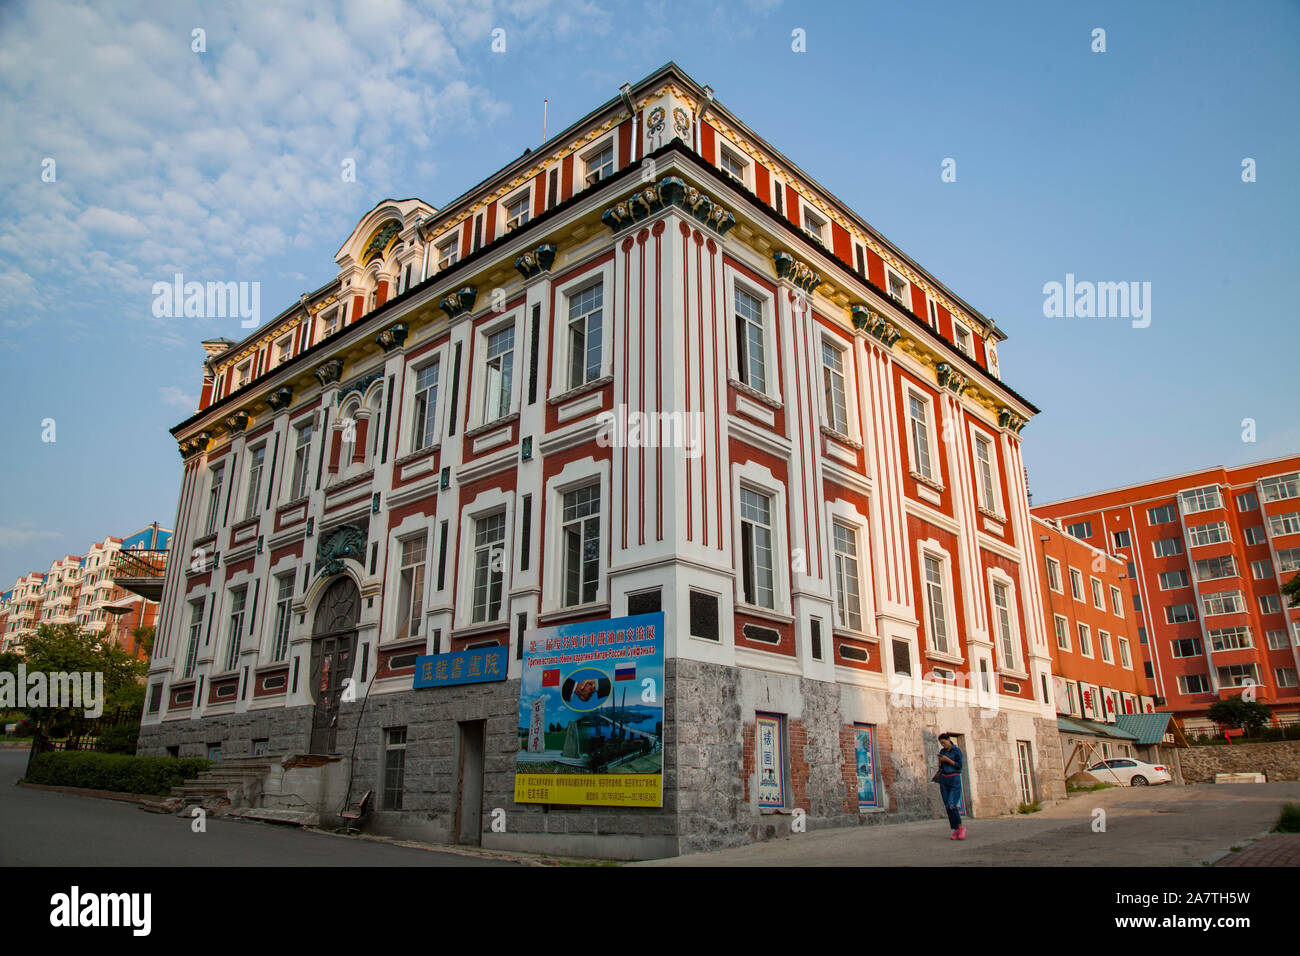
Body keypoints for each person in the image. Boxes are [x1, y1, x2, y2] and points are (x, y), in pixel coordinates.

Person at [937, 733, 966, 840]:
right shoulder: (942, 752)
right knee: (947, 806)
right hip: (944, 779)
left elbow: (959, 766)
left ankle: (961, 827)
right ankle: (956, 830)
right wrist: (940, 761)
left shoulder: (956, 751)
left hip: (954, 779)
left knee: (951, 805)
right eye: (941, 743)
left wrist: (947, 760)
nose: (943, 745)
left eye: (944, 742)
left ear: (949, 740)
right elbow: (940, 767)